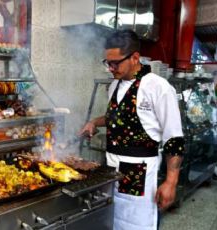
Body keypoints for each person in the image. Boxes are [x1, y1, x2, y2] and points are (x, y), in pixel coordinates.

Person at [79, 30, 184, 230]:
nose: (110, 68)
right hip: (111, 167)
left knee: (136, 224)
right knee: (112, 220)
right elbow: (115, 118)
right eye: (107, 63)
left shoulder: (158, 87)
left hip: (139, 172)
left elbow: (175, 139)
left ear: (135, 57)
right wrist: (94, 122)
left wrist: (171, 182)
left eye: (115, 63)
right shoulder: (115, 86)